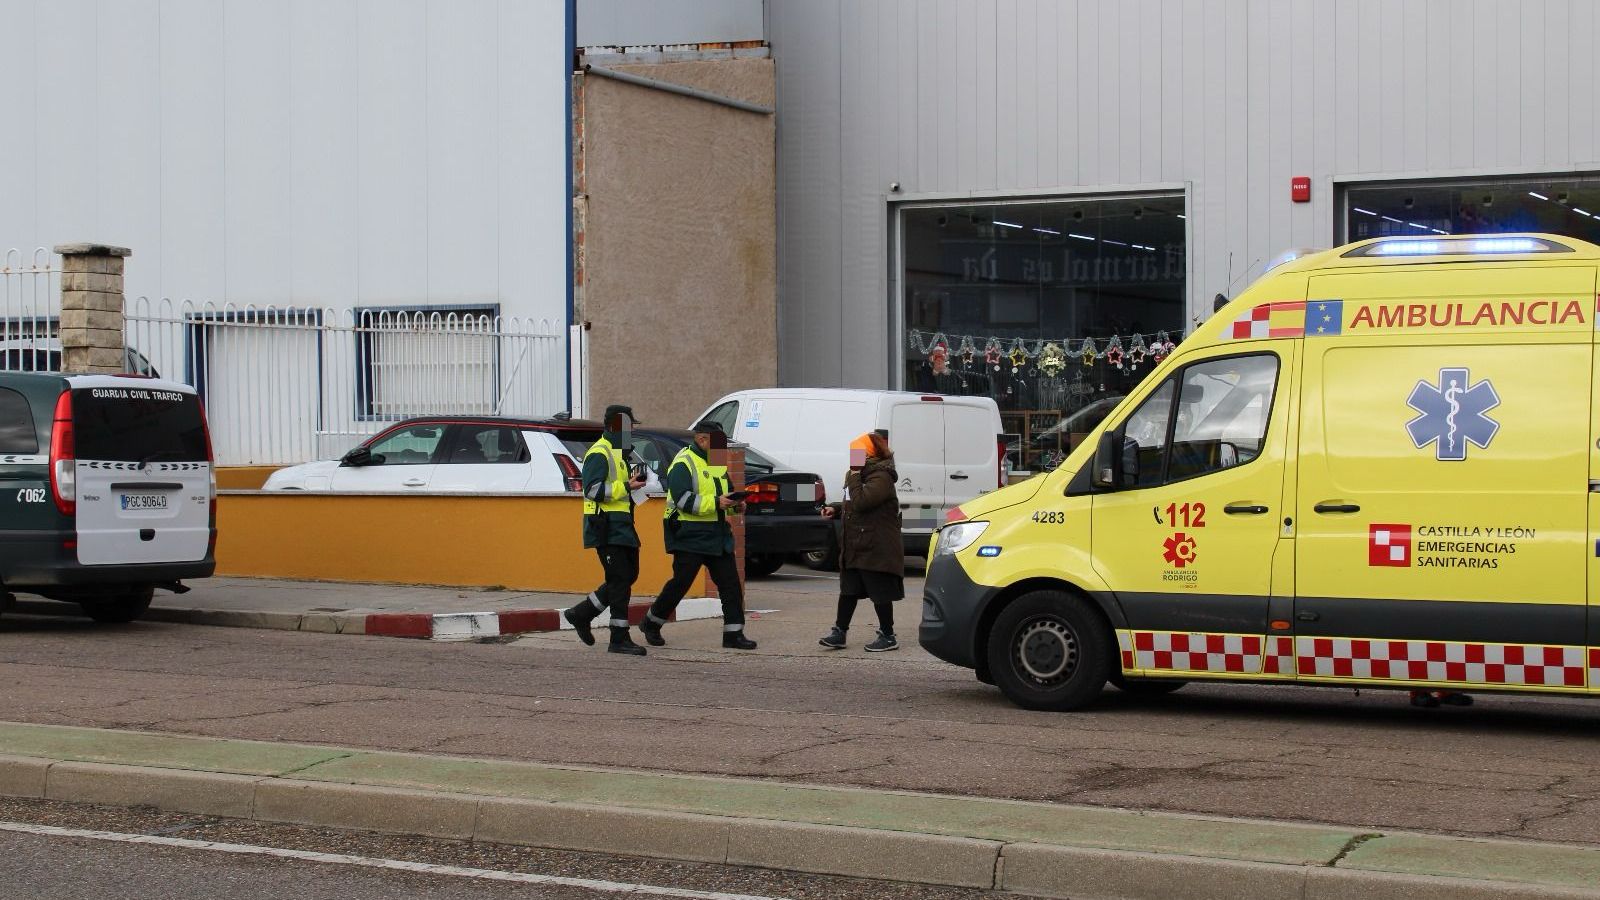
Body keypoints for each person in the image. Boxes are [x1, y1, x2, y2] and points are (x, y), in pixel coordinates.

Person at [639, 421, 757, 650]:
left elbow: (724, 497)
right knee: (681, 583)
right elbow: (682, 500)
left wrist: (735, 506)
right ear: (701, 440)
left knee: (731, 585)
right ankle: (651, 622)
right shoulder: (683, 463)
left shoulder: (716, 462)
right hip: (688, 534)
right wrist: (716, 503)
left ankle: (734, 635)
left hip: (717, 534)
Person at [563, 405, 650, 656]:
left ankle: (581, 614)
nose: (631, 430)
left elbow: (620, 491)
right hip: (606, 527)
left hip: (622, 526)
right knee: (621, 580)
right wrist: (626, 485)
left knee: (626, 576)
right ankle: (618, 638)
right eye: (628, 426)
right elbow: (591, 490)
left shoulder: (619, 453)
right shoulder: (599, 453)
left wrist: (634, 487)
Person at [818, 430, 903, 652]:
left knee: (879, 590)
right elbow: (851, 501)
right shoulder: (856, 475)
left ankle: (888, 634)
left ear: (868, 455)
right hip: (856, 543)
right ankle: (839, 631)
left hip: (876, 544)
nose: (852, 458)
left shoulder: (881, 477)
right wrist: (835, 509)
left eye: (856, 453)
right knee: (848, 589)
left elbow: (863, 502)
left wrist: (855, 476)